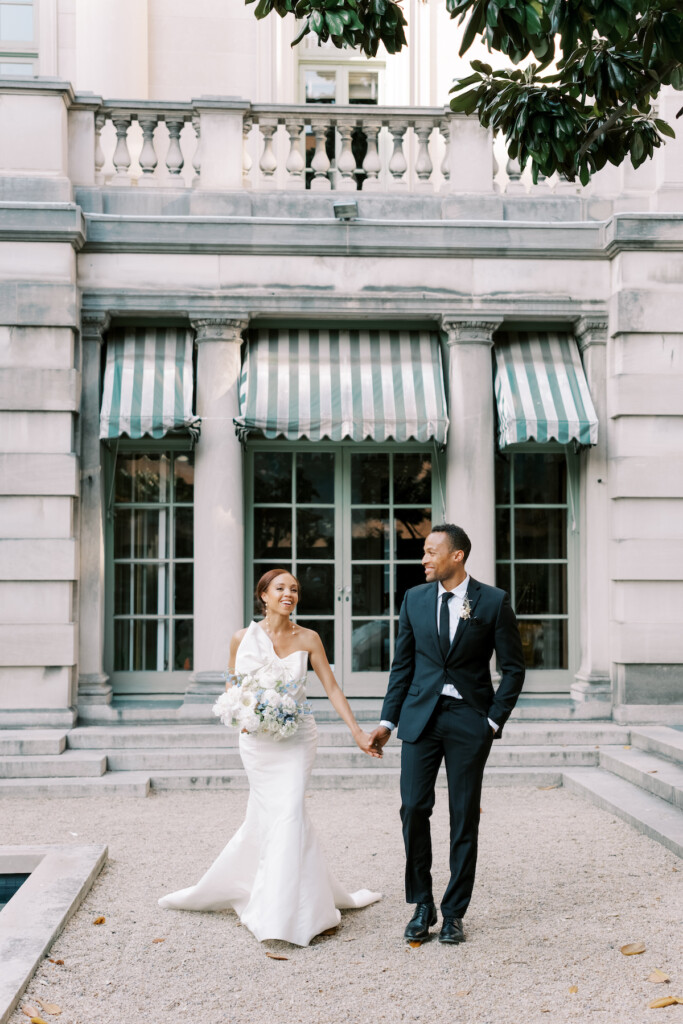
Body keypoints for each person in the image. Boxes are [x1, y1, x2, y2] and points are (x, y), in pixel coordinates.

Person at [159, 568, 381, 946]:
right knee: (272, 817)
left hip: (298, 739)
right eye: (281, 588)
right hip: (257, 743)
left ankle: (293, 913)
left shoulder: (309, 638)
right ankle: (282, 900)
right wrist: (241, 713)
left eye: (294, 589)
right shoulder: (241, 638)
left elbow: (331, 687)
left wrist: (357, 732)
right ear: (263, 595)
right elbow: (233, 684)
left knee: (291, 811)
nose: (289, 594)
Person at [369, 524, 525, 945]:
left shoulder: (492, 602)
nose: (424, 558)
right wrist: (387, 721)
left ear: (457, 556)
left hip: (469, 720)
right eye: (424, 551)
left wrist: (492, 721)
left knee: (463, 816)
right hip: (420, 718)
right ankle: (423, 902)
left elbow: (514, 668)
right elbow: (402, 666)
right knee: (413, 808)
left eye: (431, 551)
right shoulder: (414, 599)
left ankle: (454, 912)